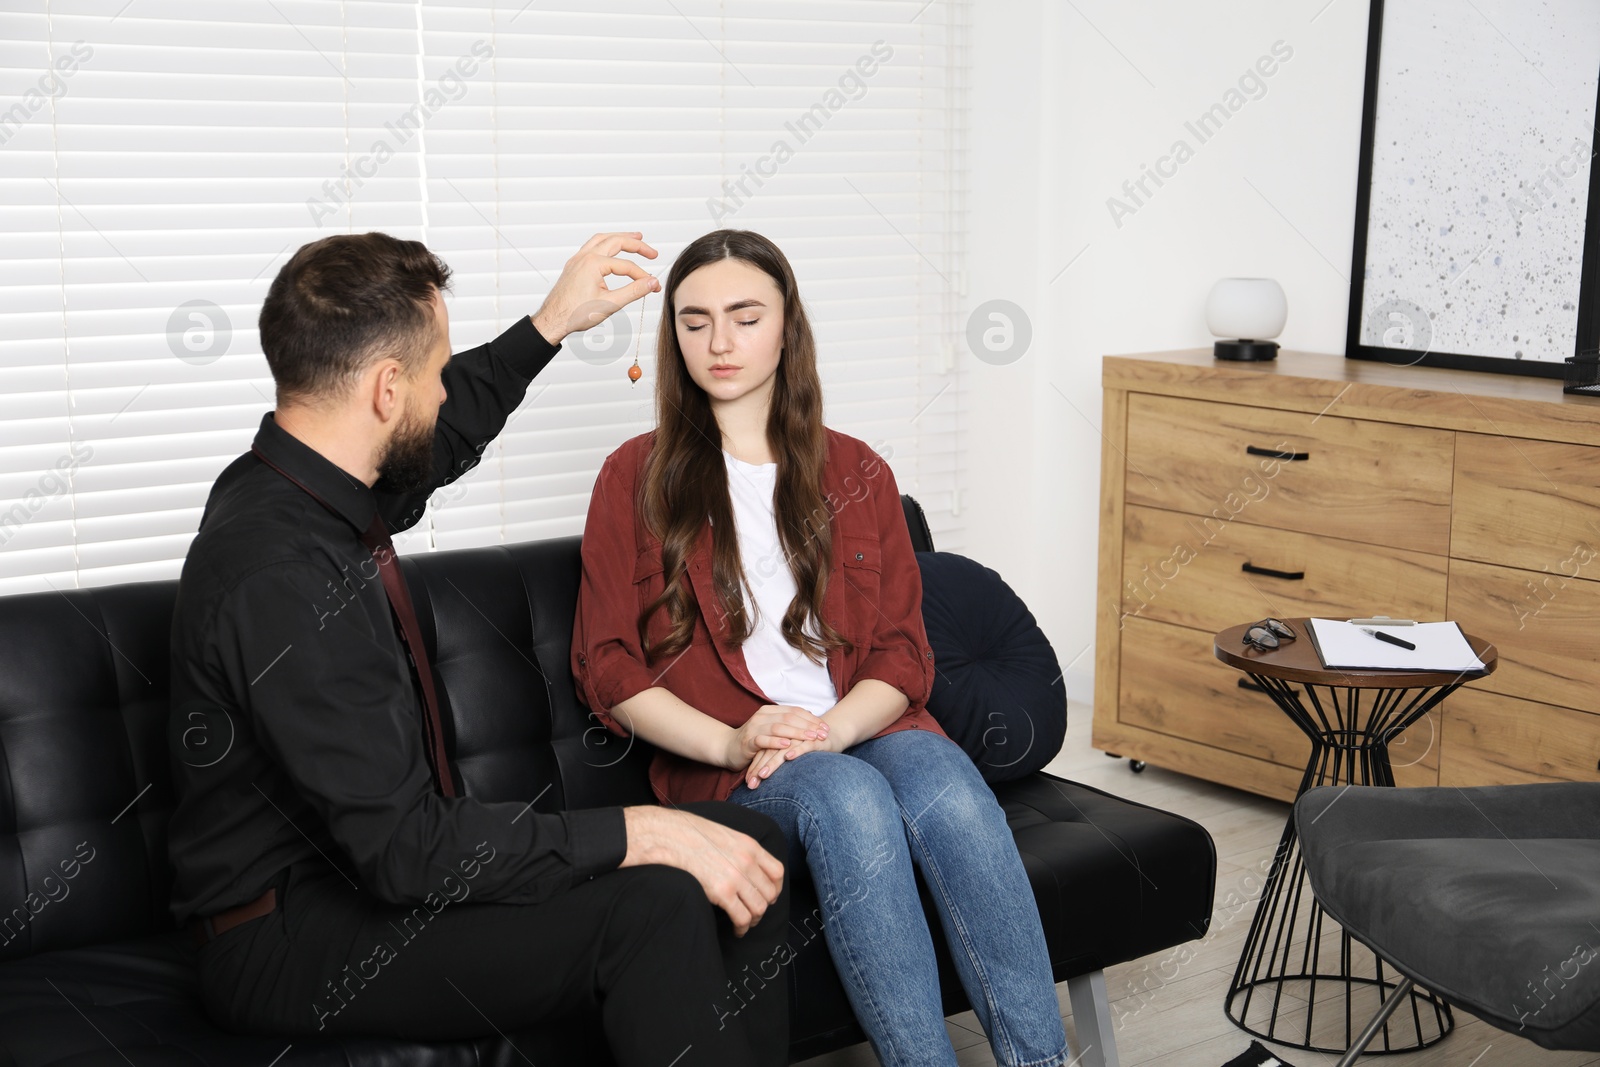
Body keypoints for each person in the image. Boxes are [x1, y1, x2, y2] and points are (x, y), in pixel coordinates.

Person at [167, 230, 791, 1067]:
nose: (441, 388)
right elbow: (408, 852)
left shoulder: (299, 479)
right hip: (286, 934)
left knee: (747, 845)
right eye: (434, 372)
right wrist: (640, 829)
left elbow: (436, 441)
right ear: (388, 389)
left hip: (360, 879)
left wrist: (549, 325)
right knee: (654, 903)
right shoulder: (282, 572)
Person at [571, 229, 1071, 1067]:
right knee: (845, 797)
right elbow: (608, 667)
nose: (720, 341)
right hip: (736, 764)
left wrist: (833, 728)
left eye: (744, 315)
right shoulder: (635, 476)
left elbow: (905, 658)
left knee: (946, 782)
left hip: (858, 728)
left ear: (786, 325)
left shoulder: (858, 472)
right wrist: (735, 739)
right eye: (694, 321)